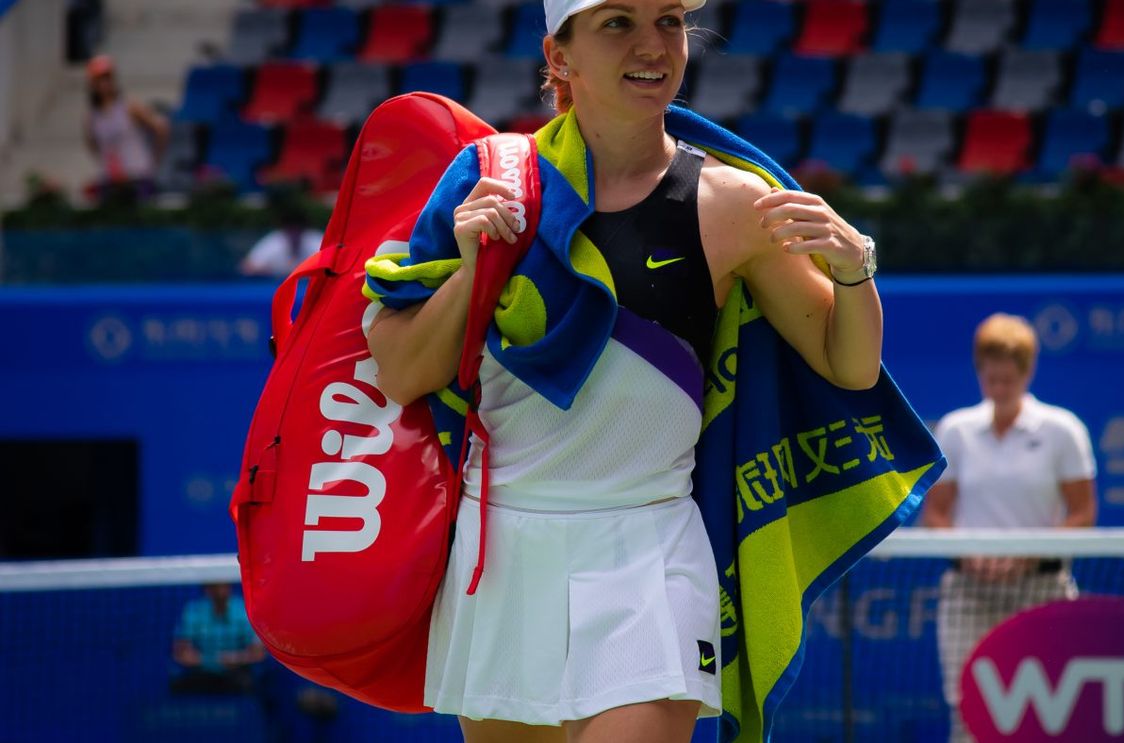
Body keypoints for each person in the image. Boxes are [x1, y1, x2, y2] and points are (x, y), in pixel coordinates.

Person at [362, 1, 905, 741]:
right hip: (502, 556)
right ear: (560, 56)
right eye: (618, 22)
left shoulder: (733, 203)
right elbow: (399, 372)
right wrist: (471, 271)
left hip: (653, 552)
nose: (654, 45)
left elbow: (849, 363)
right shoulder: (486, 182)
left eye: (670, 22)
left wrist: (854, 269)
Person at [922, 313, 1098, 743]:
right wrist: (971, 557)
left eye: (1008, 379)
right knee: (969, 713)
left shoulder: (1062, 430)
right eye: (990, 378)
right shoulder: (956, 430)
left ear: (1027, 372)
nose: (998, 388)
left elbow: (1082, 513)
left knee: (1047, 712)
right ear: (979, 372)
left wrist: (1025, 557)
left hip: (1041, 592)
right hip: (969, 593)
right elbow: (937, 514)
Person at [84, 54, 168, 201]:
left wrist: (154, 160)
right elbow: (93, 144)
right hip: (111, 180)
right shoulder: (92, 116)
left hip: (137, 177)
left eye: (107, 78)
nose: (104, 83)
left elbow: (161, 127)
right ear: (93, 83)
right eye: (99, 79)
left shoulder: (129, 106)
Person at [171, 582, 266, 695]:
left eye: (223, 585)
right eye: (215, 586)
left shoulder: (243, 609)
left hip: (237, 673)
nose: (220, 590)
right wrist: (210, 661)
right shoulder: (193, 611)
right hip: (201, 673)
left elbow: (258, 654)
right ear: (207, 589)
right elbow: (181, 653)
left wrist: (236, 658)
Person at [239, 204, 324, 277]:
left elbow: (331, 265)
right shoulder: (274, 242)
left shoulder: (315, 241)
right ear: (284, 228)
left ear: (304, 227)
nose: (294, 232)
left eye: (297, 227)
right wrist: (267, 272)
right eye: (290, 227)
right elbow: (247, 267)